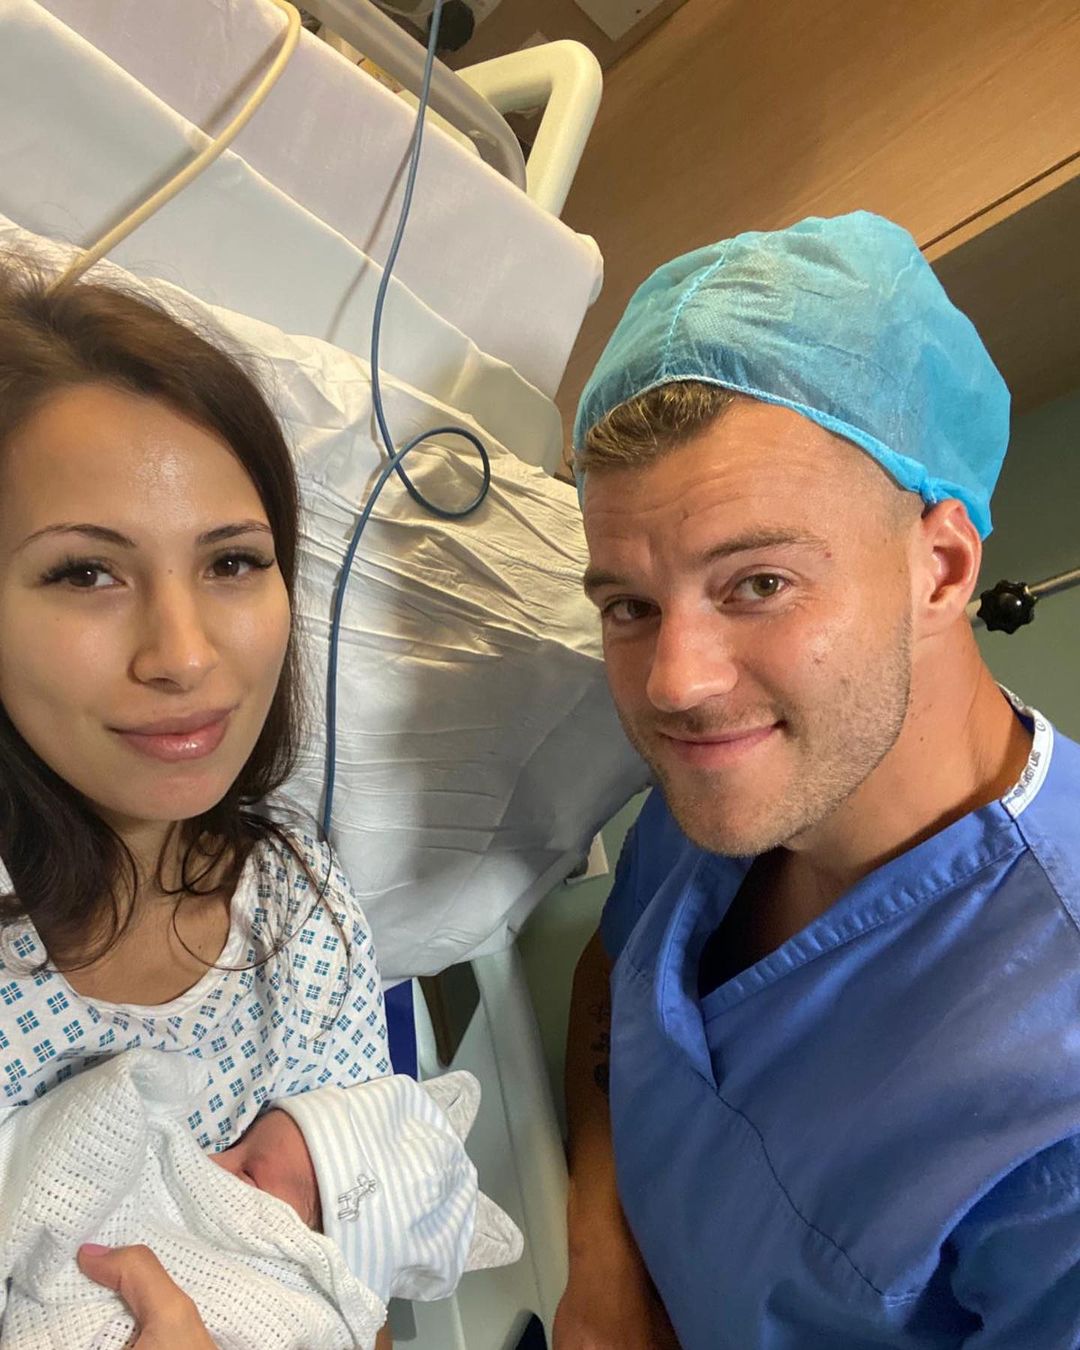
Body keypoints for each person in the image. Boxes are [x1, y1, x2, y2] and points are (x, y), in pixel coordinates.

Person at [555, 212, 1080, 1349]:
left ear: (942, 567)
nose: (676, 685)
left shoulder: (1056, 1098)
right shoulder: (731, 788)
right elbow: (620, 977)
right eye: (629, 606)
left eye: (758, 583)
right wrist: (602, 1264)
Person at [0, 262, 396, 1341]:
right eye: (86, 573)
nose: (182, 655)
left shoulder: (298, 912)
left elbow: (355, 1284)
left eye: (231, 561)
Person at [1, 1050, 522, 1349]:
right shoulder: (162, 1161)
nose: (211, 1163)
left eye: (247, 1176)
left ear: (314, 1250)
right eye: (240, 1143)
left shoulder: (303, 1316)